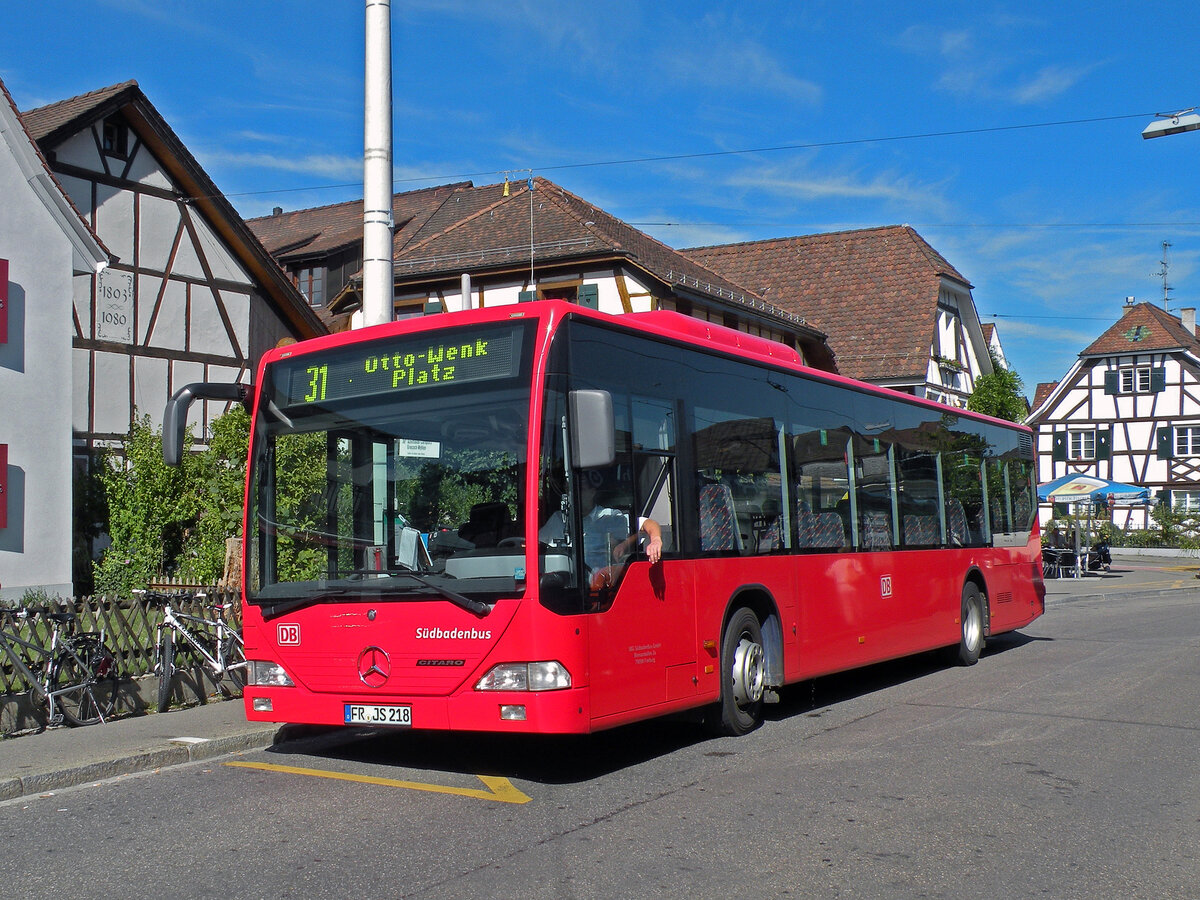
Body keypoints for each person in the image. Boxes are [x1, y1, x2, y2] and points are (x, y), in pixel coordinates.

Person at [539, 476, 662, 588]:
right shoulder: (559, 519)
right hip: (564, 587)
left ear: (593, 492)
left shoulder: (608, 517)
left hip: (598, 589)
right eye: (570, 489)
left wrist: (656, 540)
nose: (575, 493)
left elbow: (647, 524)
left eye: (581, 489)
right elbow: (537, 545)